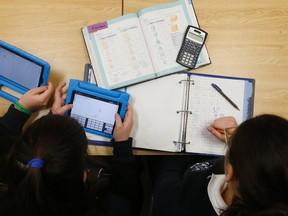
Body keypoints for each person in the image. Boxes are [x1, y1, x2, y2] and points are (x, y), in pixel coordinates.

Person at [0, 82, 142, 216]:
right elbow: (127, 200)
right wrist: (122, 145)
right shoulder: (107, 209)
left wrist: (24, 108)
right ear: (83, 175)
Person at [149, 114, 288, 215]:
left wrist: (181, 146)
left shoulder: (181, 205)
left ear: (230, 171)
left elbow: (165, 176)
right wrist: (239, 140)